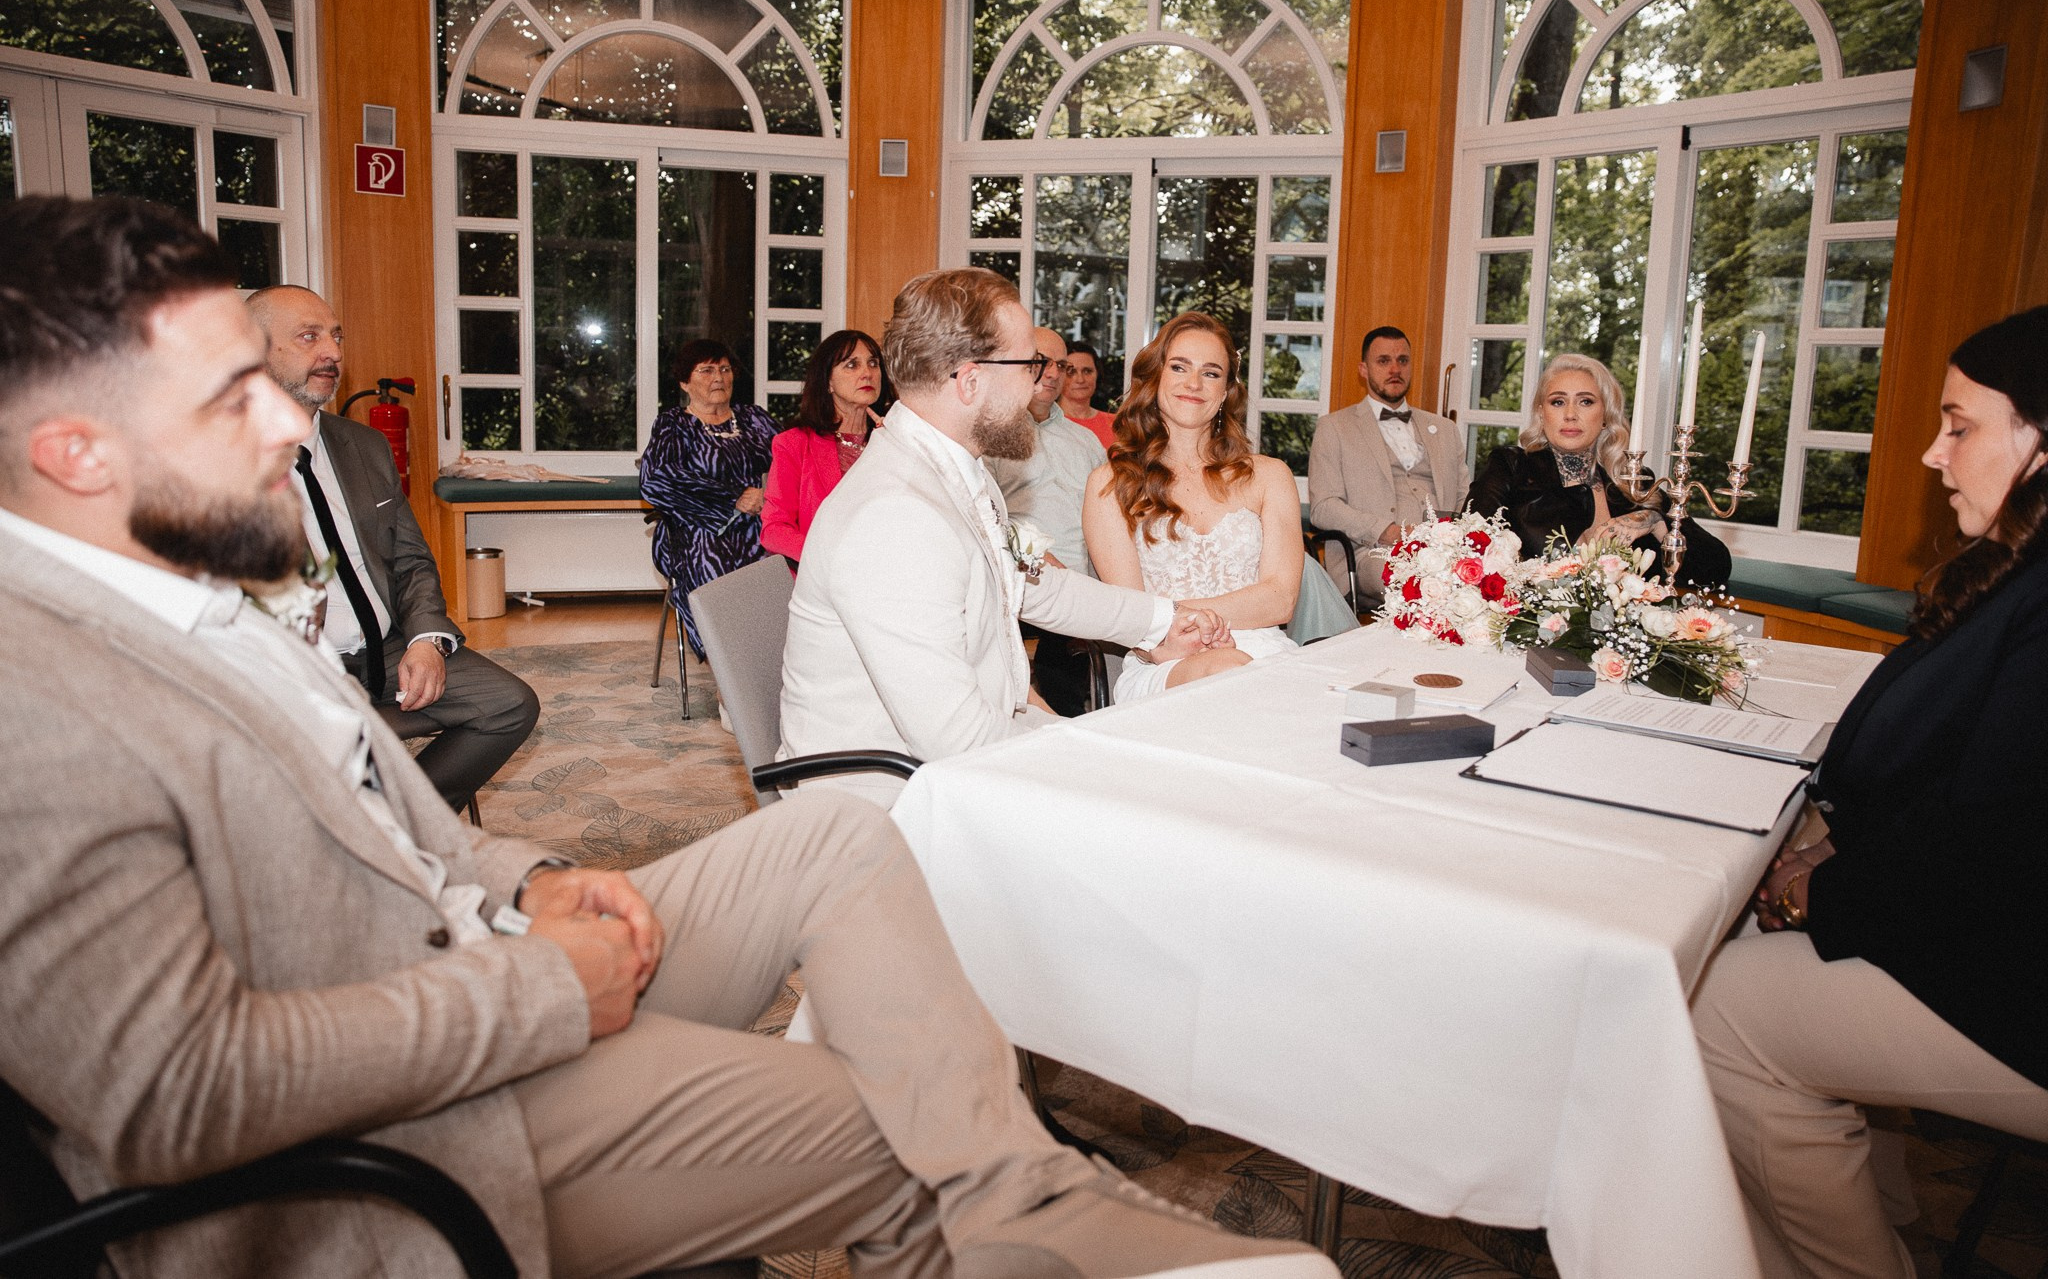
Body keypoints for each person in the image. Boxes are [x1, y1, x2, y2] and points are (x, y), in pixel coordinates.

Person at [0, 197, 1337, 1279]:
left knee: (827, 843)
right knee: (902, 1116)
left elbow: (390, 833)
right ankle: (1043, 1217)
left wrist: (522, 879)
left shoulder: (183, 600)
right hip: (413, 1126)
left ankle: (1035, 1210)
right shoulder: (40, 703)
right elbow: (172, 1096)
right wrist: (539, 983)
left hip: (481, 951)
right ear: (76, 453)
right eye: (236, 397)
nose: (298, 419)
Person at [1691, 304, 2048, 1279]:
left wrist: (1824, 888)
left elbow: (1995, 847)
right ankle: (1885, 1219)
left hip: (2017, 976)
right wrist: (1832, 847)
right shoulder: (2015, 571)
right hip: (1990, 923)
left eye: (1959, 425)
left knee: (1710, 1009)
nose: (1933, 455)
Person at [778, 268, 1233, 803]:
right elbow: (954, 738)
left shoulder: (958, 470)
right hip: (883, 802)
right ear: (970, 381)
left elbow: (1038, 584)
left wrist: (1163, 622)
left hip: (948, 760)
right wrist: (1084, 751)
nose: (1042, 380)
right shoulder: (895, 517)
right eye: (1029, 364)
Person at [245, 284, 540, 809]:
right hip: (298, 670)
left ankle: (406, 824)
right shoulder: (215, 463)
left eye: (335, 336)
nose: (332, 352)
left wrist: (427, 639)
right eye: (309, 337)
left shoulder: (363, 445)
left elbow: (410, 561)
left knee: (509, 705)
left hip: (388, 650)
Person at [1083, 311, 1303, 702]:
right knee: (1232, 673)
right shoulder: (1110, 484)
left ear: (1226, 392)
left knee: (1255, 676)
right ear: (1156, 378)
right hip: (1163, 659)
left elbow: (1281, 599)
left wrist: (1172, 612)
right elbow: (1129, 615)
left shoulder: (1271, 476)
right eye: (1179, 367)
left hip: (1263, 652)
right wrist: (1173, 628)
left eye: (1211, 372)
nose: (1194, 383)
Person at [1465, 352, 1731, 587]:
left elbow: (1715, 568)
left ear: (1606, 416)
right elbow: (1465, 550)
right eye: (1558, 402)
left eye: (1586, 402)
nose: (1570, 414)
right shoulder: (1510, 467)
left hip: (1628, 636)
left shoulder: (1635, 482)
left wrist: (1654, 521)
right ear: (1541, 412)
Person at [988, 325, 1111, 716]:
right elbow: (986, 518)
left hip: (1090, 582)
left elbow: (1111, 515)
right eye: (1042, 361)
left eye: (1060, 364)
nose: (1055, 373)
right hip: (1026, 582)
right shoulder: (991, 436)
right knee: (1063, 667)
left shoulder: (1085, 440)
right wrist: (1042, 561)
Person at [639, 338, 778, 658]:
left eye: (725, 369)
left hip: (760, 525)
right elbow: (655, 480)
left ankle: (769, 657)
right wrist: (733, 497)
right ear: (685, 382)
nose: (719, 377)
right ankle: (731, 663)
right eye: (707, 370)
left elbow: (792, 459)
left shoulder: (754, 419)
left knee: (790, 562)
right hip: (697, 531)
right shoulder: (672, 425)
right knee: (715, 566)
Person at [1307, 325, 1467, 598]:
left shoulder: (1444, 429)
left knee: (1486, 576)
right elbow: (1323, 508)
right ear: (1364, 369)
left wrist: (1462, 540)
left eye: (1402, 360)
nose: (1395, 369)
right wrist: (1386, 531)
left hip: (1442, 549)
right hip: (1371, 552)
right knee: (1410, 579)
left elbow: (1465, 496)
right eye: (1383, 361)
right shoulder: (1334, 428)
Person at [760, 328, 888, 563]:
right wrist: (830, 558)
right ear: (827, 381)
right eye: (852, 365)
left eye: (873, 363)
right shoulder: (794, 444)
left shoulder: (895, 439)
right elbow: (774, 530)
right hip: (824, 579)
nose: (867, 373)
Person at [1060, 339, 1117, 449]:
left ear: (1097, 374)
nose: (1080, 380)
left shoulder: (1117, 424)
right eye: (1071, 372)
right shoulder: (1046, 424)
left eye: (1087, 371)